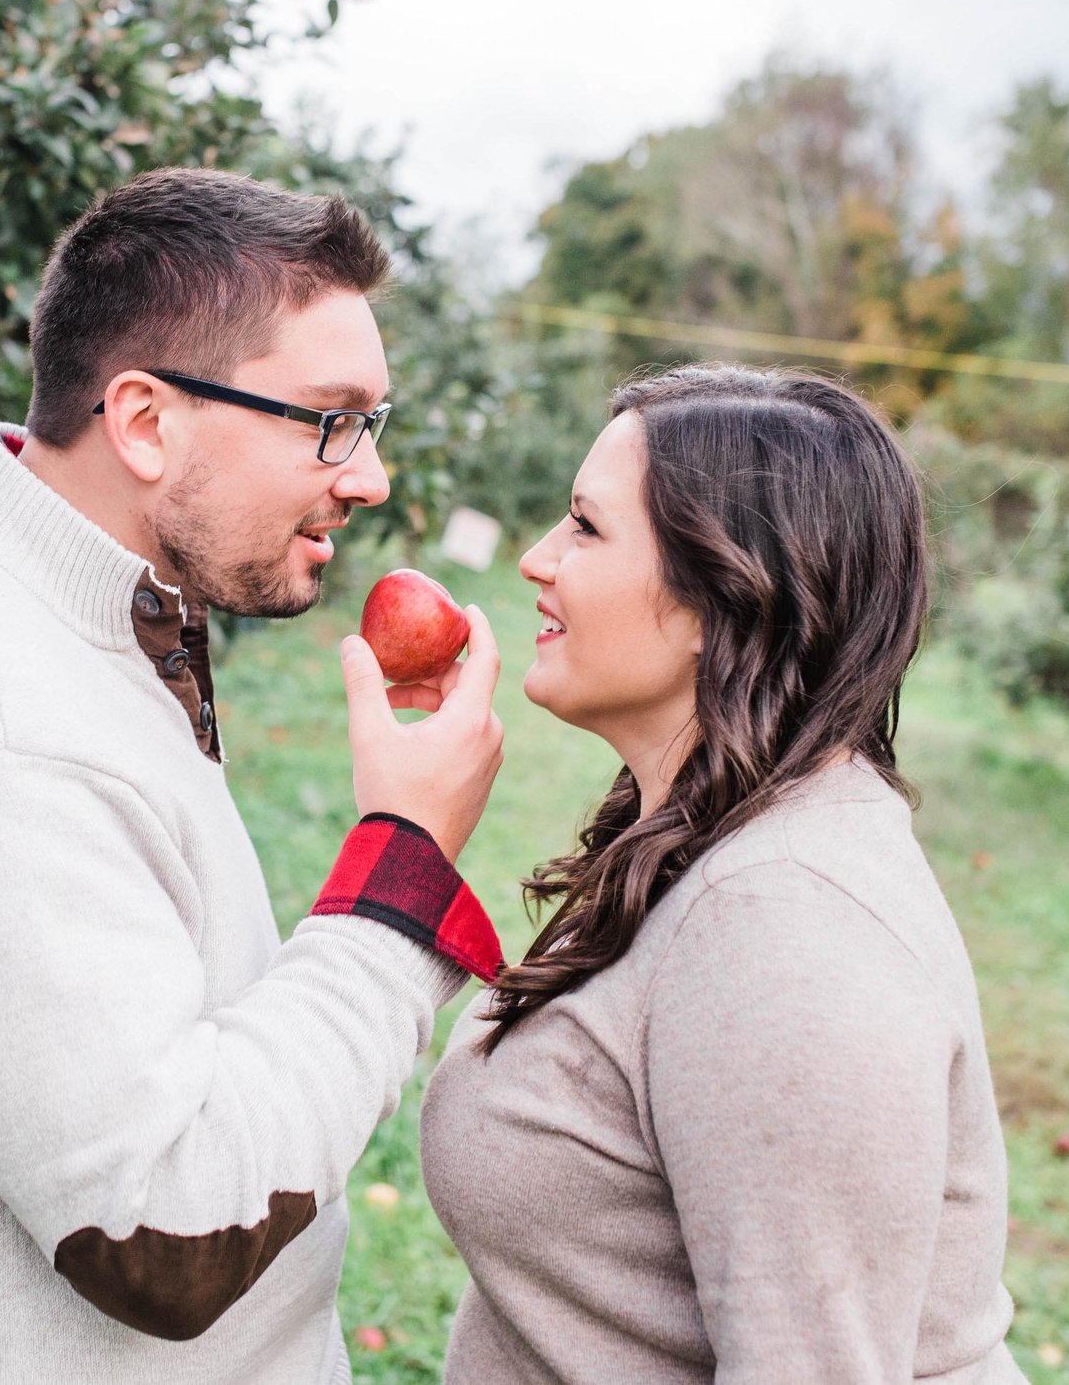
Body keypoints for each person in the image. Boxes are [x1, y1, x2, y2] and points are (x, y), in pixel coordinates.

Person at [0, 167, 508, 1383]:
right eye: (329, 420)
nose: (368, 478)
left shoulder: (67, 609)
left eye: (372, 424)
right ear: (144, 420)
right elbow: (169, 1225)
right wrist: (401, 876)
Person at [420, 366, 1027, 1384]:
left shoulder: (784, 933)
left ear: (721, 592)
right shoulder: (707, 835)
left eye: (584, 527)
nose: (535, 559)